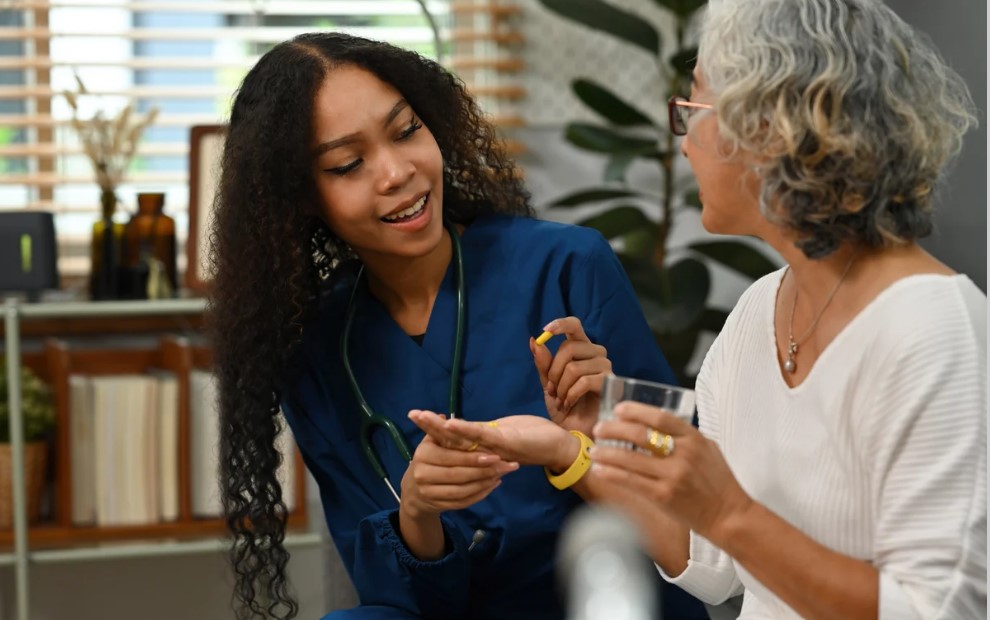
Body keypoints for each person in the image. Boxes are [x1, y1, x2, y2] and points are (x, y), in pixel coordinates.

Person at [208, 32, 708, 619]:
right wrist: (418, 513)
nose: (397, 172)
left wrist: (592, 437)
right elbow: (393, 593)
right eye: (348, 164)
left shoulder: (568, 266)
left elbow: (688, 479)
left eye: (406, 131)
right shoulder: (316, 351)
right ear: (301, 199)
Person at [583, 0, 986, 618]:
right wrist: (577, 447)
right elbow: (714, 561)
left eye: (693, 108)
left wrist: (728, 510)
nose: (684, 142)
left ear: (772, 131)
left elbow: (941, 610)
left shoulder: (936, 332)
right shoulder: (757, 310)